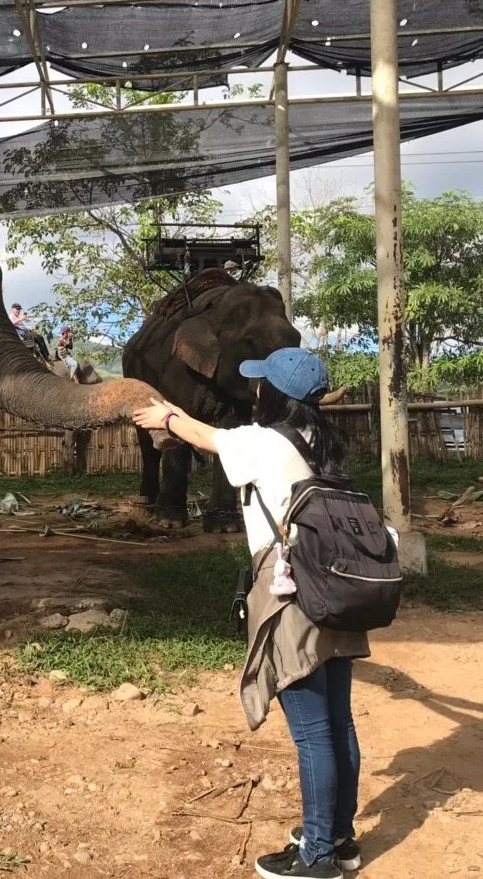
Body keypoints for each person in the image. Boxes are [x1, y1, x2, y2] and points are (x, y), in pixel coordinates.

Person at [132, 347, 367, 879]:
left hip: (294, 592)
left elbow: (208, 438)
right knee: (338, 722)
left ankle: (317, 856)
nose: (254, 391)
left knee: (311, 734)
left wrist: (165, 415)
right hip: (339, 590)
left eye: (261, 384)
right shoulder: (324, 442)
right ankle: (339, 837)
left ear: (275, 393)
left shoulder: (266, 442)